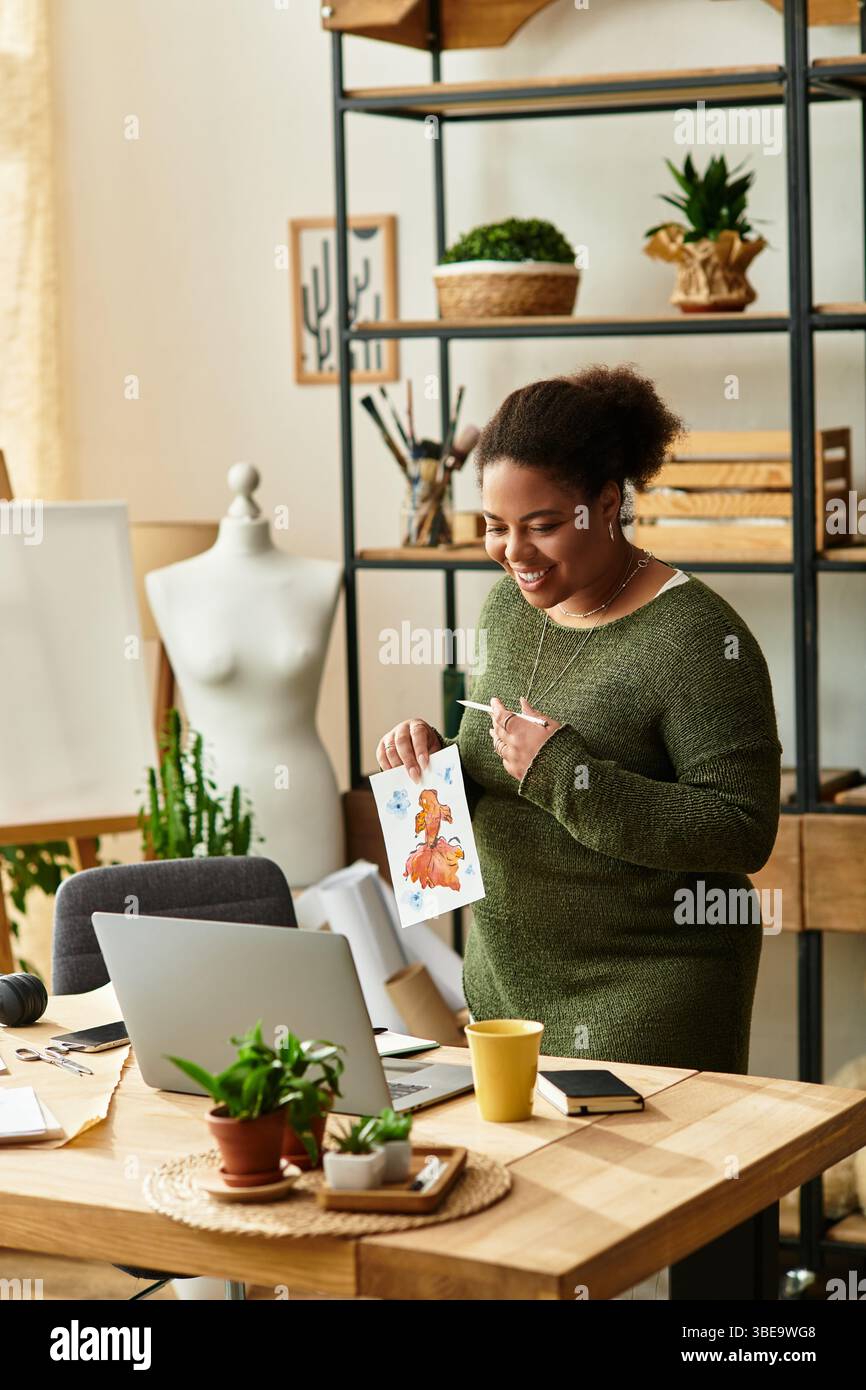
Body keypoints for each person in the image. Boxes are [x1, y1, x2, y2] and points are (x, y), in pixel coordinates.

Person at [376, 363, 782, 1074]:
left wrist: (569, 773)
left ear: (605, 502)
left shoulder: (697, 639)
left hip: (650, 1000)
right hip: (504, 996)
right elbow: (499, 774)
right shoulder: (507, 610)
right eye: (496, 527)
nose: (513, 553)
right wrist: (429, 763)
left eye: (543, 526)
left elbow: (742, 831)